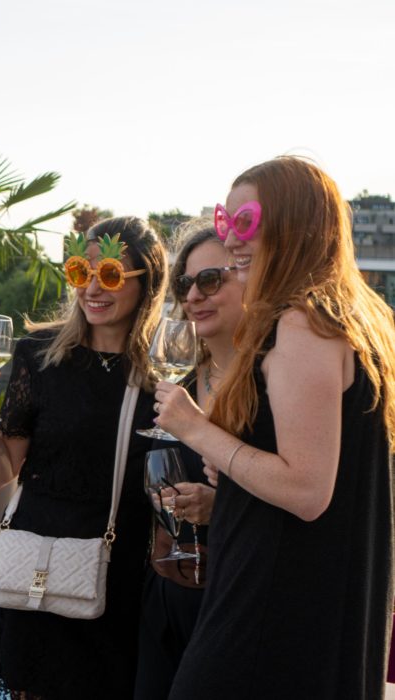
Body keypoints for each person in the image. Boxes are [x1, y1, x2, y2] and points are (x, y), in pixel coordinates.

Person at [157, 156, 395, 699]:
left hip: (274, 613)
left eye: (245, 223)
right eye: (225, 221)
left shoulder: (302, 323)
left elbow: (307, 490)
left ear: (295, 224)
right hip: (309, 608)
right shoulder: (350, 321)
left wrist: (196, 429)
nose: (230, 239)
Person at [0, 216, 167, 699]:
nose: (91, 288)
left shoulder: (164, 373)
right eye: (80, 272)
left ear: (147, 283)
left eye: (110, 274)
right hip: (35, 567)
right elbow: (1, 471)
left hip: (118, 575)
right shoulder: (39, 355)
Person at [133, 219, 243, 699]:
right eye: (185, 283)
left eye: (210, 279)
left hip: (234, 602)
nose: (195, 295)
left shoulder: (270, 386)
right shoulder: (177, 383)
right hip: (165, 594)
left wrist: (222, 505)